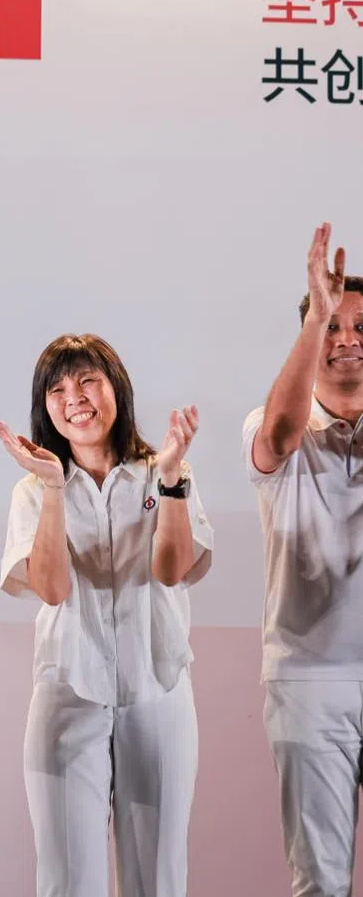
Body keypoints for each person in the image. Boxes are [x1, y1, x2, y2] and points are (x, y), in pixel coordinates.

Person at [0, 333, 212, 897]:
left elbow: (172, 570)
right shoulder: (32, 489)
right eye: (58, 388)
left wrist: (169, 482)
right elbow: (50, 586)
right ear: (44, 406)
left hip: (158, 690)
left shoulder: (166, 471)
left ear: (117, 386)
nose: (75, 397)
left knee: (158, 879)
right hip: (68, 694)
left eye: (88, 379)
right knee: (66, 881)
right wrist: (50, 490)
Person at [244, 223, 363, 897]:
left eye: (359, 324)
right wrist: (316, 314)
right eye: (332, 324)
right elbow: (280, 436)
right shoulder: (275, 424)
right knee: (320, 879)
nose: (347, 337)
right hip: (309, 678)